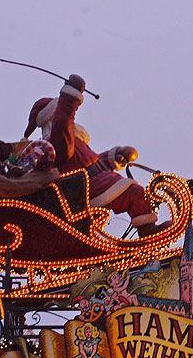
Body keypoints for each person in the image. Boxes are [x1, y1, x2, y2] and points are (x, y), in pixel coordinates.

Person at [25, 74, 169, 237]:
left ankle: (147, 230)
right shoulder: (59, 141)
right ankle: (148, 231)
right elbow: (63, 121)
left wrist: (114, 157)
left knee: (135, 192)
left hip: (99, 180)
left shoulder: (75, 141)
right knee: (134, 192)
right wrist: (70, 95)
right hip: (89, 188)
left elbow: (90, 161)